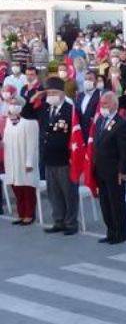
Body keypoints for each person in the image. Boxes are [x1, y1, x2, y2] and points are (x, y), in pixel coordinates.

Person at [40, 78, 79, 235]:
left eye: (54, 93)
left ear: (62, 93)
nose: (51, 96)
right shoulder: (47, 109)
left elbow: (76, 133)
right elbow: (28, 113)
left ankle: (71, 222)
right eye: (49, 93)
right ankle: (58, 220)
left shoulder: (70, 110)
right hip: (50, 157)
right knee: (54, 192)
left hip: (65, 158)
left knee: (68, 192)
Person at [93, 92, 126, 244]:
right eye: (101, 104)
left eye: (106, 104)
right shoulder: (100, 121)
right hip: (101, 169)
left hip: (114, 170)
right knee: (105, 203)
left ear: (114, 105)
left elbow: (125, 150)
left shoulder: (121, 124)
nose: (103, 107)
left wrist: (122, 171)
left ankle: (120, 233)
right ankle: (110, 231)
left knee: (116, 203)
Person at [3, 95, 39, 225]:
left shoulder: (30, 122)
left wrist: (29, 162)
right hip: (12, 160)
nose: (13, 106)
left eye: (16, 103)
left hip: (24, 160)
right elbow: (7, 139)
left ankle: (29, 214)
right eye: (11, 103)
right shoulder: (8, 121)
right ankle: (21, 213)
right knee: (16, 188)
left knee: (27, 187)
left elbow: (32, 144)